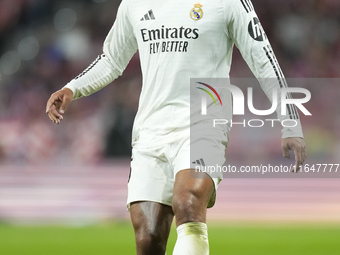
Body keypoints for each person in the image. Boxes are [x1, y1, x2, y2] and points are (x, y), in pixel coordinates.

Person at [46, 0, 307, 254]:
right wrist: (73, 88)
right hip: (151, 129)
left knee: (188, 202)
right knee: (148, 238)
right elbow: (112, 59)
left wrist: (290, 121)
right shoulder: (133, 4)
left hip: (204, 122)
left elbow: (263, 58)